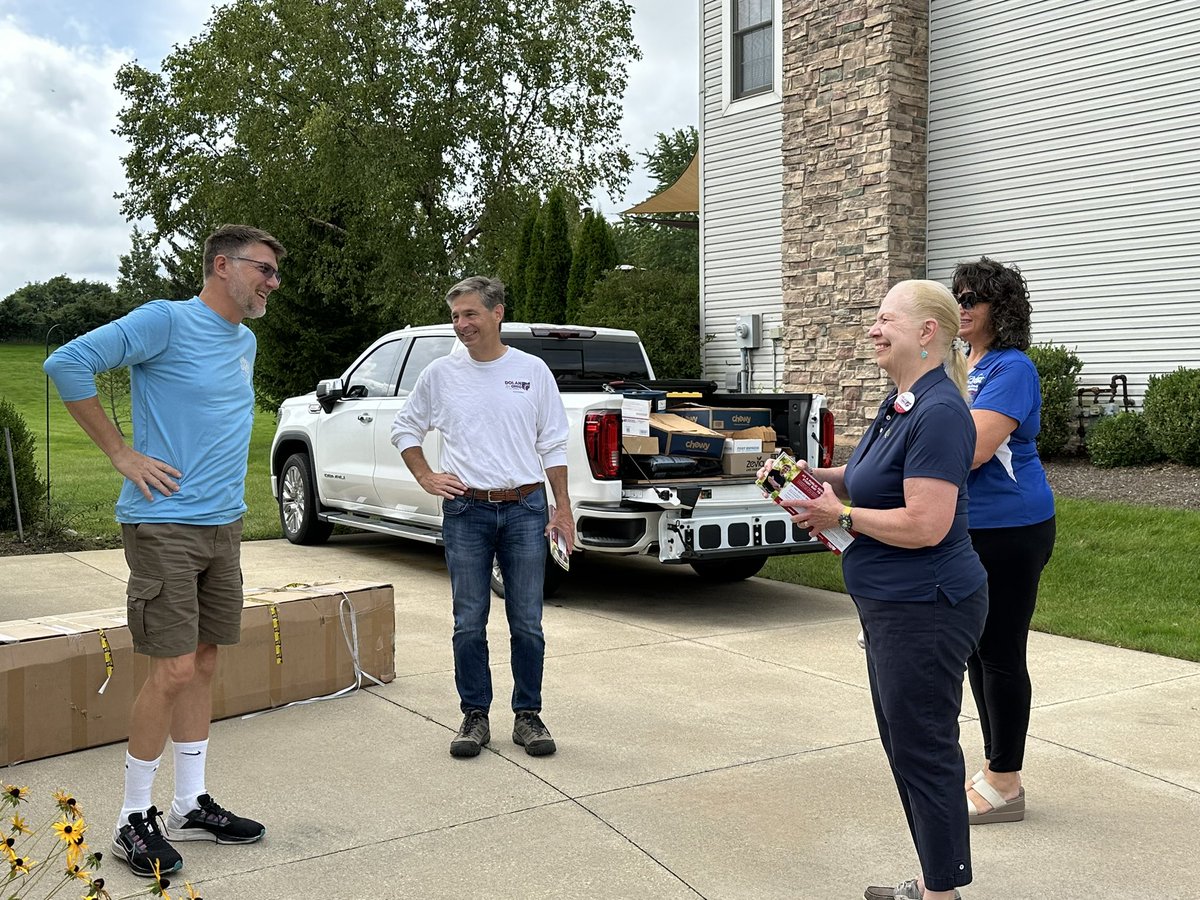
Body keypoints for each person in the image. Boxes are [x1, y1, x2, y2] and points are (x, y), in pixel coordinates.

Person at [43, 225, 284, 877]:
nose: (272, 283)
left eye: (275, 274)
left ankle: (188, 805)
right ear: (221, 265)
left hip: (223, 526)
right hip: (164, 525)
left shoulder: (245, 341)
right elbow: (66, 363)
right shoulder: (166, 322)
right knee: (172, 670)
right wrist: (121, 452)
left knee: (204, 661)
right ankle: (131, 818)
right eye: (263, 270)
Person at [772, 280, 988, 900]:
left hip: (927, 606)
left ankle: (940, 891)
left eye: (887, 319)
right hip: (896, 605)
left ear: (928, 333)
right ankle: (933, 880)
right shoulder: (903, 402)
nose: (873, 328)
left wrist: (838, 515)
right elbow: (871, 477)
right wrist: (810, 477)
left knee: (923, 749)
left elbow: (926, 524)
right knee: (907, 743)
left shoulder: (940, 412)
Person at [391, 275, 574, 759]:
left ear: (497, 313)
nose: (461, 325)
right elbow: (404, 428)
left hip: (526, 508)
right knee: (468, 621)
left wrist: (563, 508)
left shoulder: (532, 371)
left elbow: (553, 442)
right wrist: (428, 476)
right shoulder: (440, 375)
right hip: (466, 510)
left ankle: (527, 716)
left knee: (527, 621)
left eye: (470, 314)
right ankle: (474, 715)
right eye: (455, 316)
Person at [953, 258, 1056, 825]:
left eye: (976, 298)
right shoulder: (958, 366)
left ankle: (1006, 781)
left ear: (1002, 308)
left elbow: (971, 451)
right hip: (967, 527)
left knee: (1000, 652)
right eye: (959, 297)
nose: (963, 306)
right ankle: (997, 765)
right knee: (974, 651)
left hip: (1012, 528)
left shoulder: (1011, 369)